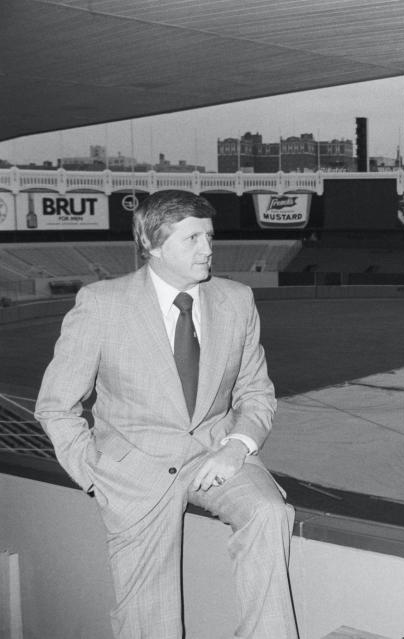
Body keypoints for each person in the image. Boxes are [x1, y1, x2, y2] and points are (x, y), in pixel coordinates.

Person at [34, 190, 299, 639]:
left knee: (269, 512)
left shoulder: (236, 300)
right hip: (136, 468)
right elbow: (56, 406)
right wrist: (98, 475)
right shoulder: (102, 303)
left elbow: (257, 393)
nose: (208, 249)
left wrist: (238, 446)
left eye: (209, 236)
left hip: (217, 452)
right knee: (148, 619)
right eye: (192, 238)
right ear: (153, 246)